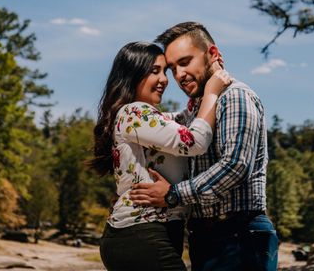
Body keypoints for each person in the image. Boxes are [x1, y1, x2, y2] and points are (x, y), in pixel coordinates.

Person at [130, 22, 279, 271]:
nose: (178, 75)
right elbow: (162, 132)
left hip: (238, 236)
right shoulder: (197, 111)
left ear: (212, 54)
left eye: (185, 62)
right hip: (207, 237)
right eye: (172, 68)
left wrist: (172, 194)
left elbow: (235, 165)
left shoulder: (235, 96)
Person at [90, 41, 231, 271]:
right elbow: (194, 140)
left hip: (149, 233)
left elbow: (189, 118)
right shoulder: (134, 112)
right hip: (141, 234)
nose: (165, 79)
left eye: (165, 71)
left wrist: (208, 76)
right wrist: (213, 93)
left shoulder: (151, 118)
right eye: (155, 71)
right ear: (133, 73)